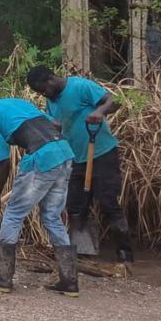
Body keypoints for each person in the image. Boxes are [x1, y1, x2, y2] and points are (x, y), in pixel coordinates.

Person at [0, 84, 79, 296]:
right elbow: (56, 125)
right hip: (64, 153)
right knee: (52, 216)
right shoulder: (15, 102)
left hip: (42, 158)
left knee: (13, 215)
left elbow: (2, 162)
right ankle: (69, 282)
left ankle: (3, 278)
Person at [26, 66, 134, 263]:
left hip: (101, 153)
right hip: (75, 159)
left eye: (43, 90)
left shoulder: (80, 86)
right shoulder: (51, 101)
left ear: (50, 79)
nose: (43, 94)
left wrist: (100, 111)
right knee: (76, 207)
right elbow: (58, 123)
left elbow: (114, 101)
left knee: (109, 203)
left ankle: (125, 253)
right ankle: (84, 251)